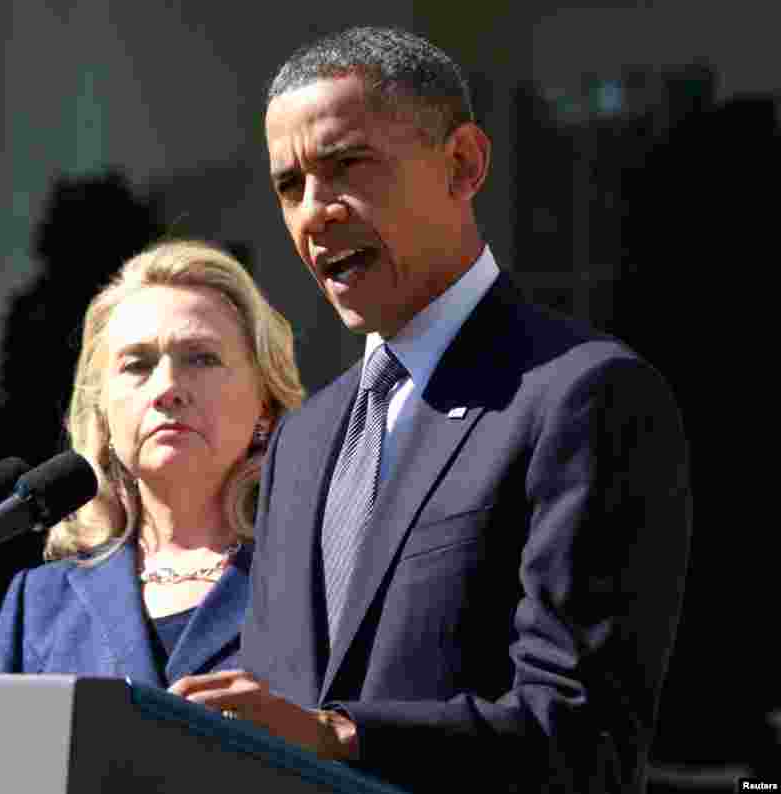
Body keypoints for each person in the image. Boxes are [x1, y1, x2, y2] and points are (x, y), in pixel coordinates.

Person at [170, 27, 691, 793]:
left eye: (347, 167)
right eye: (289, 186)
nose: (313, 214)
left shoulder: (583, 397)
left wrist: (342, 735)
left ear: (463, 165)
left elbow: (585, 739)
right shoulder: (303, 440)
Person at [0, 239, 305, 685]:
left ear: (265, 405)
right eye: (137, 365)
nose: (168, 388)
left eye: (201, 359)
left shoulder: (317, 580)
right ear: (103, 413)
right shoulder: (40, 605)